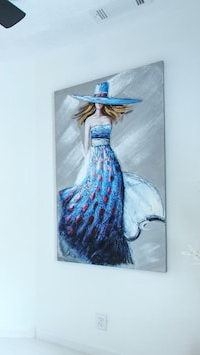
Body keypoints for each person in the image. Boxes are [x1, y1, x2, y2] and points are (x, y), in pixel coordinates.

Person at [58, 81, 163, 266]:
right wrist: (89, 160)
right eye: (97, 100)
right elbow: (86, 143)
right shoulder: (90, 120)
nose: (99, 103)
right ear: (94, 102)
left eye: (102, 100)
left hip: (108, 156)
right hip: (95, 157)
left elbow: (106, 140)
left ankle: (108, 236)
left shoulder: (108, 120)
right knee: (92, 193)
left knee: (111, 194)